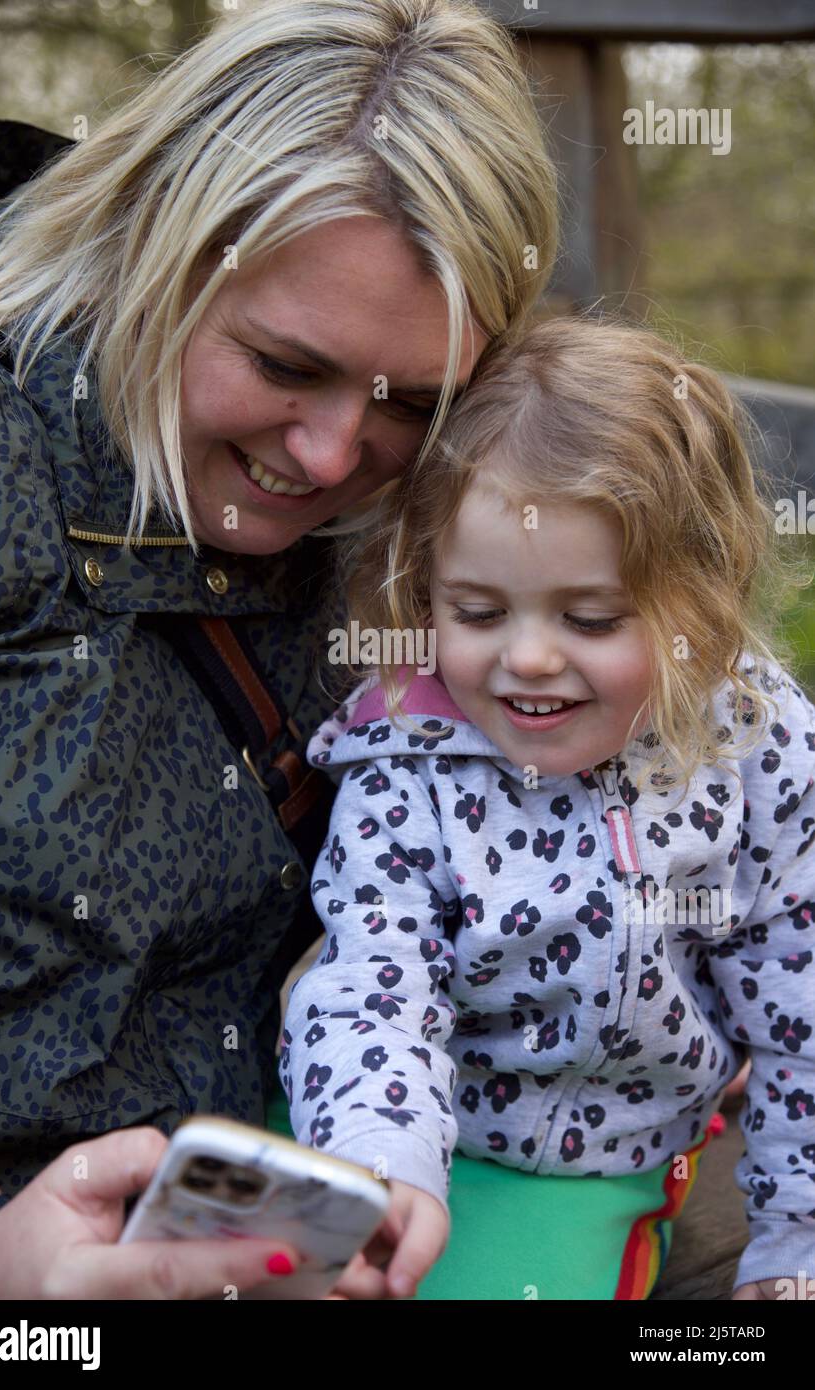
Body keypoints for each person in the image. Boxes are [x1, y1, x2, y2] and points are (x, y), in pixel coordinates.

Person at [0, 0, 558, 1299]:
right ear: (151, 248)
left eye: (408, 399)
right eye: (285, 364)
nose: (333, 456)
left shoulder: (427, 527)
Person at [275, 315, 815, 1300]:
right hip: (419, 1124)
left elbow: (798, 993)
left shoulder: (750, 744)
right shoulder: (407, 755)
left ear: (695, 595)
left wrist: (792, 1239)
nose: (525, 657)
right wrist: (382, 1168)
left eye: (591, 617)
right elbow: (375, 980)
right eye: (476, 611)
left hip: (607, 1154)